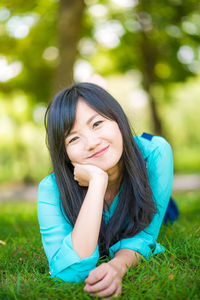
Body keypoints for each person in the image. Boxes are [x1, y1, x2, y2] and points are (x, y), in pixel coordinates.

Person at [37, 82, 174, 298]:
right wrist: (97, 182)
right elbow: (70, 271)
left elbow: (145, 234)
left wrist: (118, 266)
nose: (91, 143)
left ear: (117, 119)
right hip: (102, 202)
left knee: (167, 214)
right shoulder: (51, 189)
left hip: (141, 192)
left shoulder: (155, 153)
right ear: (64, 153)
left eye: (97, 123)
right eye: (74, 138)